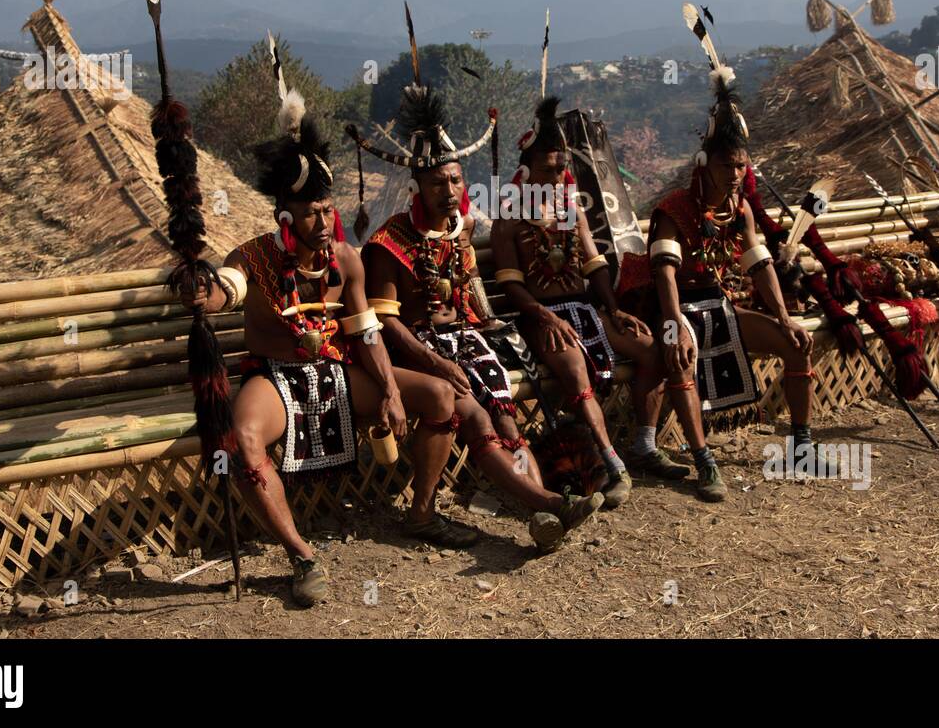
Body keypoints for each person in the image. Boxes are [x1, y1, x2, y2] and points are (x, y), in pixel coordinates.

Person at [184, 95, 477, 607]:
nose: (324, 222)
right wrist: (200, 288)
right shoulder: (254, 256)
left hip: (337, 372)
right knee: (245, 437)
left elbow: (366, 331)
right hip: (275, 376)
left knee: (437, 398)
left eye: (327, 210)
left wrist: (388, 388)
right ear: (284, 217)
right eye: (311, 214)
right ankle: (301, 555)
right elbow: (224, 289)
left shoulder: (346, 259)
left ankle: (423, 513)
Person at [346, 41, 604, 553]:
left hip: (464, 339)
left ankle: (541, 500)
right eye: (438, 182)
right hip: (413, 351)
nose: (449, 189)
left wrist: (491, 325)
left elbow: (468, 294)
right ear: (418, 187)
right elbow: (383, 324)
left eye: (456, 179)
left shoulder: (459, 232)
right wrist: (435, 363)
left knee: (505, 415)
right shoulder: (387, 244)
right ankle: (549, 505)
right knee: (477, 416)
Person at [626, 65, 815, 501]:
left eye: (741, 166)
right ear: (704, 163)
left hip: (720, 307)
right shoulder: (673, 208)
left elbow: (760, 265)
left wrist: (784, 316)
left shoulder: (741, 209)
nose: (734, 174)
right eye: (727, 165)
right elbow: (664, 274)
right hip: (672, 307)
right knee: (680, 358)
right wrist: (673, 326)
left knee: (796, 342)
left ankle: (802, 443)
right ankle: (704, 461)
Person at [490, 97, 680, 508]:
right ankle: (614, 466)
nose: (558, 175)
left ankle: (644, 444)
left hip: (587, 312)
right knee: (575, 371)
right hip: (538, 318)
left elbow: (595, 266)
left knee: (651, 351)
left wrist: (614, 310)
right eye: (548, 169)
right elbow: (511, 287)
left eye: (562, 168)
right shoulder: (508, 220)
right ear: (526, 172)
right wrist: (544, 318)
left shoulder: (572, 211)